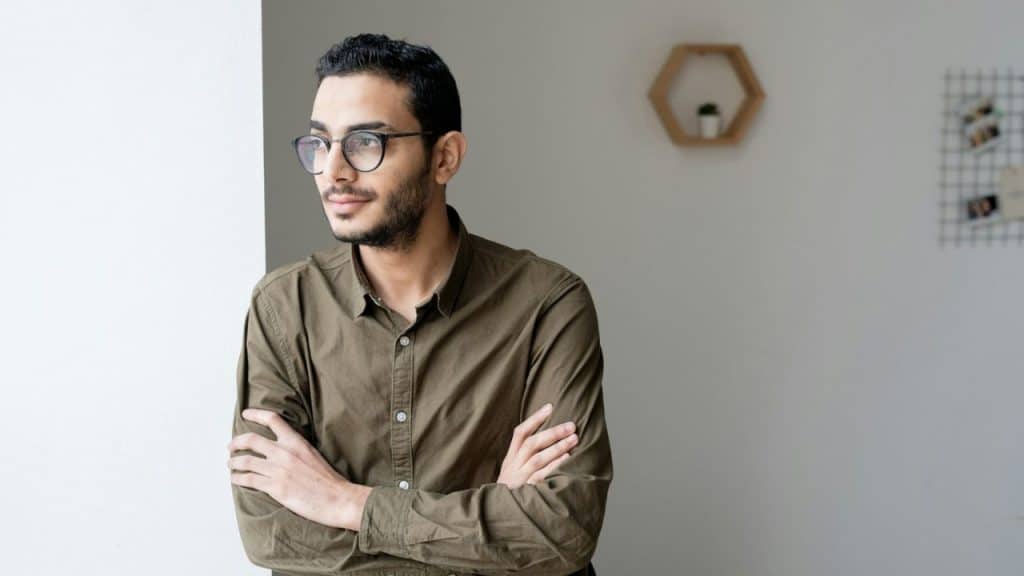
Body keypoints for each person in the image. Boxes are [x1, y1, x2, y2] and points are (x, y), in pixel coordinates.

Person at [226, 33, 612, 576]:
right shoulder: (283, 307)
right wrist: (491, 530)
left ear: (444, 157)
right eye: (321, 143)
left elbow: (561, 529)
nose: (333, 171)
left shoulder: (547, 304)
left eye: (365, 143)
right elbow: (273, 534)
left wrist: (344, 503)